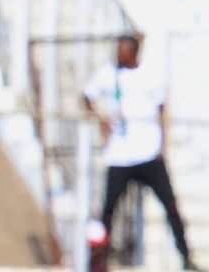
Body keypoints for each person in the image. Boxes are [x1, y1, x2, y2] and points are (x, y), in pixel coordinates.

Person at [82, 35, 199, 271]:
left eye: (122, 51)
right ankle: (98, 261)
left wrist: (162, 145)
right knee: (108, 211)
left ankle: (186, 257)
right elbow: (87, 95)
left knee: (171, 206)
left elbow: (161, 109)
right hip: (119, 155)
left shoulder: (150, 76)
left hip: (148, 153)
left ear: (133, 53)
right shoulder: (109, 74)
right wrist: (101, 121)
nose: (118, 55)